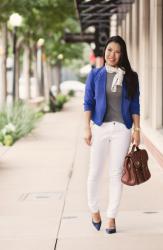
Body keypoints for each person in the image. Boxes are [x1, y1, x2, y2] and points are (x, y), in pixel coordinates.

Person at [83, 35, 140, 234]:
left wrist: (137, 130)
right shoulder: (95, 75)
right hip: (100, 127)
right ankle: (94, 210)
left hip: (122, 129)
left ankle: (111, 217)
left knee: (116, 174)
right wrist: (86, 128)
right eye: (109, 50)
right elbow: (88, 102)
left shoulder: (130, 77)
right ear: (105, 51)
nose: (112, 54)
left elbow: (135, 105)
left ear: (122, 54)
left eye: (117, 51)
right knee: (95, 172)